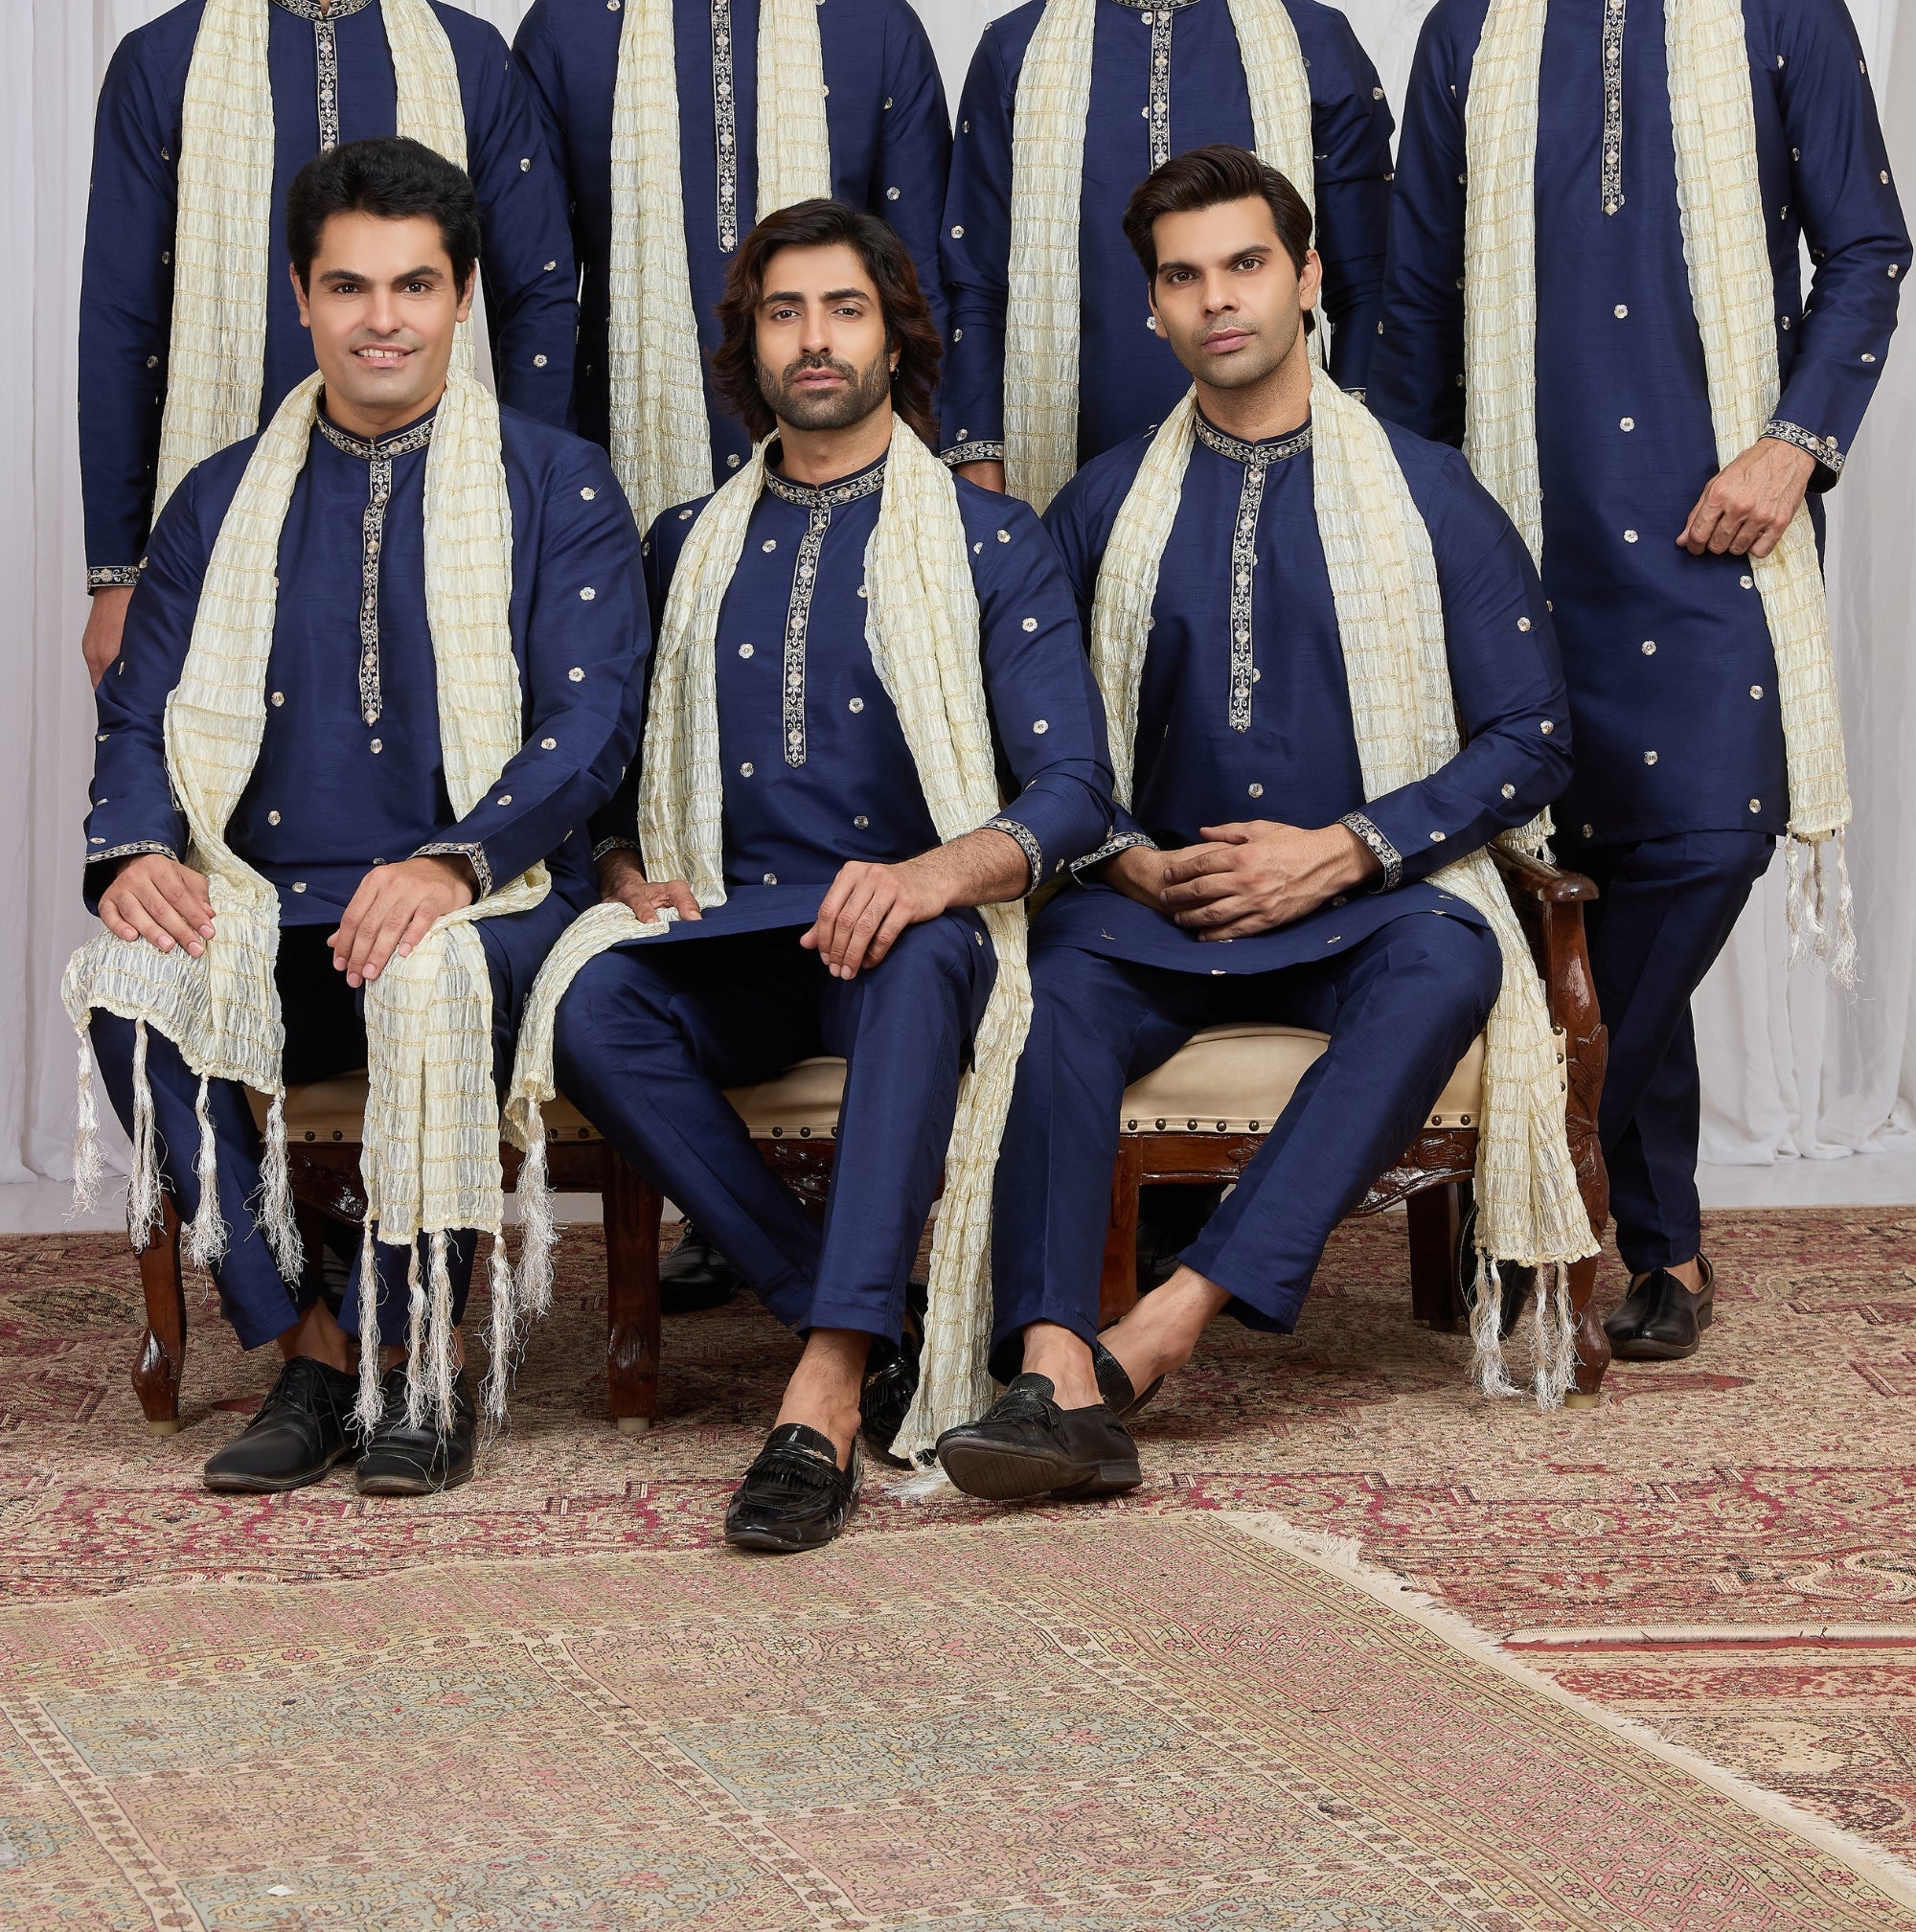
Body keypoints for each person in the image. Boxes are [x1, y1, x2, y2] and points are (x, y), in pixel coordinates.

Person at [1367, 0, 1909, 1361]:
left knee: (1701, 850)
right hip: (1525, 543)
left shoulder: (1782, 2)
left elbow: (1869, 249)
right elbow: (1416, 311)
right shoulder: (1467, 29)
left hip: (1714, 532)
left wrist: (1793, 447)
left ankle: (1553, 1155)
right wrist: (1414, 533)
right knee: (1570, 880)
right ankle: (1654, 1246)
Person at [936, 144, 1592, 1506]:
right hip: (1156, 909)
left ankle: (1160, 1331)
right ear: (1152, 308)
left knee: (1451, 961)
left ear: (1306, 278)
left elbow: (1531, 738)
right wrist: (1124, 856)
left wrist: (1342, 849)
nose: (1217, 299)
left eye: (1245, 265)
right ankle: (1052, 1367)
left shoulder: (1428, 492)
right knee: (1047, 991)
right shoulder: (1104, 505)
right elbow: (1031, 740)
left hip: (1369, 906)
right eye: (1183, 277)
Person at [519, 200, 1110, 1553]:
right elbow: (603, 768)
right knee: (590, 1002)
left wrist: (930, 876)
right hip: (729, 929)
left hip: (911, 934)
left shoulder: (991, 541)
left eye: (845, 309)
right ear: (750, 347)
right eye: (783, 313)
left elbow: (1075, 790)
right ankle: (864, 1311)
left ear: (895, 337)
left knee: (916, 958)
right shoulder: (683, 543)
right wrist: (623, 871)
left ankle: (827, 1383)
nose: (815, 339)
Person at [64, 138, 645, 1496]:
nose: (383, 319)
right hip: (274, 908)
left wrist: (453, 865)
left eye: (414, 286)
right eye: (349, 287)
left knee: (429, 974)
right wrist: (136, 852)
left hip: (489, 911)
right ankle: (310, 1349)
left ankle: (415, 1356)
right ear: (301, 294)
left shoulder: (555, 483)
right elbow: (141, 711)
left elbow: (590, 726)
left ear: (462, 296)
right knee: (126, 984)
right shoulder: (218, 499)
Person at [80, 0, 576, 689]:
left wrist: (523, 510)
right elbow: (121, 320)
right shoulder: (165, 61)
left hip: (445, 512)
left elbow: (538, 295)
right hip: (221, 508)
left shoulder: (468, 58)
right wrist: (117, 571)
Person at [514, 0, 952, 530]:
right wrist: (540, 480)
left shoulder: (871, 24)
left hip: (851, 457)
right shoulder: (567, 31)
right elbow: (536, 287)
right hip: (621, 459)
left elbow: (919, 273)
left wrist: (936, 464)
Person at [937, 0, 1394, 508]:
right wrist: (980, 465)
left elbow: (1367, 281)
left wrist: (1359, 452)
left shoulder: (1312, 44)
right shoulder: (1016, 53)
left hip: (1295, 471)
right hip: (1065, 476)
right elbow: (974, 280)